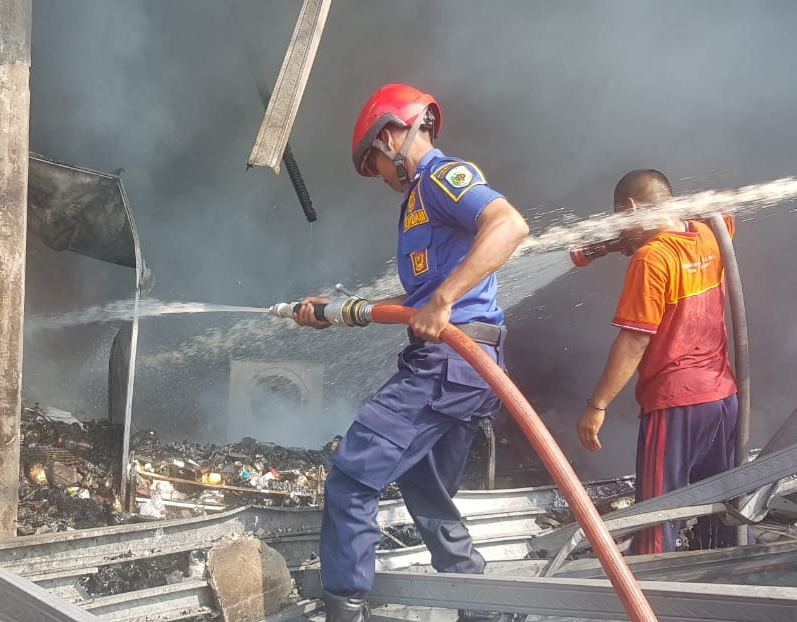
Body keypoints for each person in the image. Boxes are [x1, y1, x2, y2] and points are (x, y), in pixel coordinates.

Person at [293, 83, 529, 622]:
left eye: (373, 160)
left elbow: (509, 225)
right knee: (422, 483)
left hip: (449, 363)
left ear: (393, 134)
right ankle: (482, 607)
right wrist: (339, 311)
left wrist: (444, 300)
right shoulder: (417, 204)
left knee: (352, 476)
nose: (377, 173)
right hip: (461, 367)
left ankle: (346, 607)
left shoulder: (444, 178)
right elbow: (416, 301)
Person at [576, 169, 740, 554]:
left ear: (631, 207)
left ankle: (650, 601)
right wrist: (627, 237)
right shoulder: (711, 233)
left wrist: (596, 406)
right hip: (722, 400)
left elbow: (634, 341)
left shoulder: (651, 260)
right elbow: (723, 211)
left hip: (674, 403)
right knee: (720, 512)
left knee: (655, 521)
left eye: (620, 217)